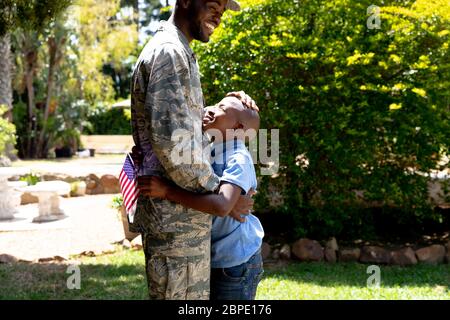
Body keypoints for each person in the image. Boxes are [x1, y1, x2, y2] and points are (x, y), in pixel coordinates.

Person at [130, 0, 259, 300]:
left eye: (223, 11)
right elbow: (175, 146)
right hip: (177, 231)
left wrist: (234, 104)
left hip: (184, 225)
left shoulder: (178, 51)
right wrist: (223, 196)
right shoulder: (170, 53)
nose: (219, 16)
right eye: (214, 5)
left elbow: (185, 125)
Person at [140, 96, 264, 300]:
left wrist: (167, 191)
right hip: (217, 255)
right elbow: (193, 109)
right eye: (214, 104)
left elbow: (222, 206)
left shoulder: (238, 158)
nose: (211, 109)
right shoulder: (211, 148)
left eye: (221, 107)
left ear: (239, 128)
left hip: (236, 261)